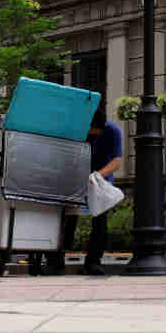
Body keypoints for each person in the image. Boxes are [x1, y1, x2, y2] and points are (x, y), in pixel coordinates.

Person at [53, 106, 123, 276]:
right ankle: (56, 262)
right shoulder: (76, 129)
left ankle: (93, 262)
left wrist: (97, 175)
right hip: (74, 178)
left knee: (100, 223)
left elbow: (116, 161)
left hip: (99, 181)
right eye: (90, 132)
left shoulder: (113, 131)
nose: (92, 135)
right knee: (67, 222)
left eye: (95, 132)